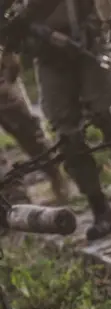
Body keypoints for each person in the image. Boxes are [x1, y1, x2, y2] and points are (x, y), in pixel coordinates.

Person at [17, 0, 111, 241]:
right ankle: (100, 208)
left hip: (88, 42)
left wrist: (93, 26)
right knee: (67, 134)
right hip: (47, 56)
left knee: (110, 114)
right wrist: (34, 32)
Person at [0, 51, 70, 205]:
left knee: (31, 137)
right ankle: (11, 198)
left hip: (4, 88)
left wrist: (9, 76)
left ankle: (56, 177)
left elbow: (8, 41)